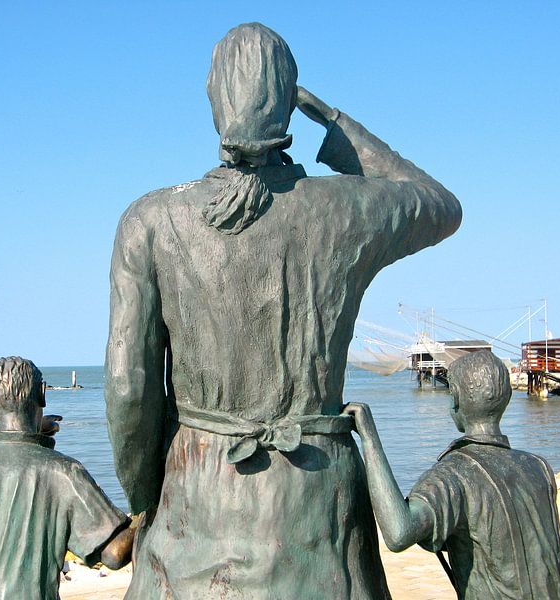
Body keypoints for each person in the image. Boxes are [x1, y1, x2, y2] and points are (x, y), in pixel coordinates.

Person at [105, 22, 461, 599]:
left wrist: (150, 502)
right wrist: (335, 122)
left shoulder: (148, 220)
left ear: (213, 97)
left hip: (196, 504)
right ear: (290, 105)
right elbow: (440, 204)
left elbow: (128, 388)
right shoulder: (350, 210)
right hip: (319, 513)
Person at [345, 351, 560, 599]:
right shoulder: (539, 467)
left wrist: (370, 439)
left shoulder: (454, 474)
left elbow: (399, 533)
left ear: (456, 401)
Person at [0, 357, 136, 599]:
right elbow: (114, 554)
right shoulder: (63, 472)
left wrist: (35, 430)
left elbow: (0, 447)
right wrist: (144, 517)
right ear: (42, 394)